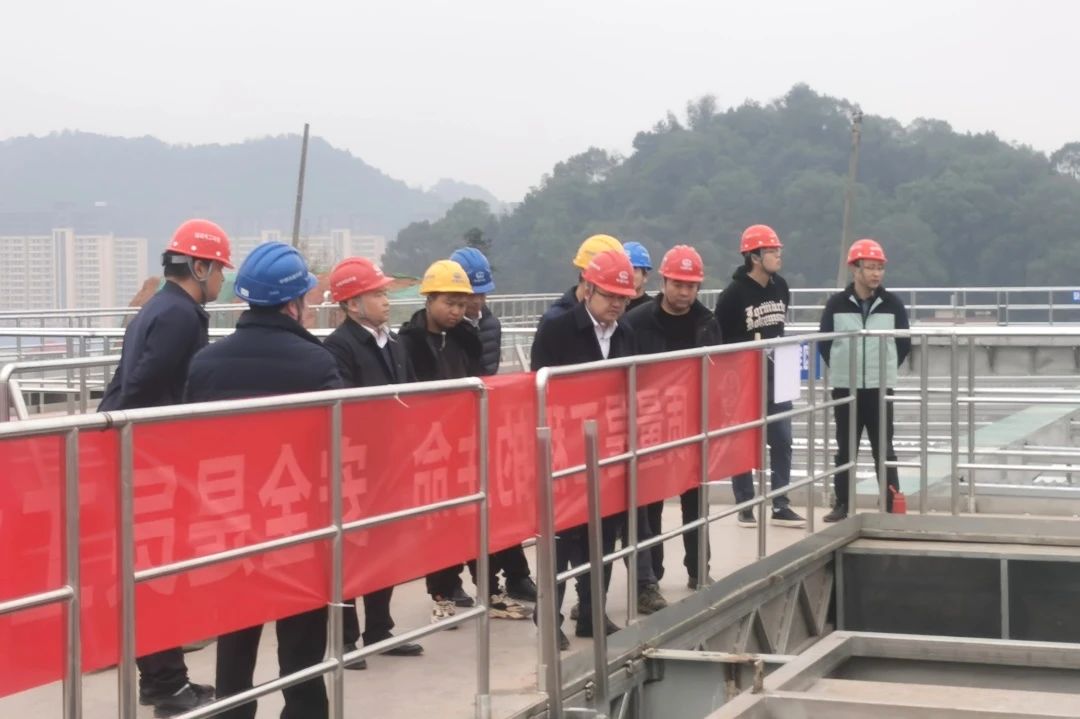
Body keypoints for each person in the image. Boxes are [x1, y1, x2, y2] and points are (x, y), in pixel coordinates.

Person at [185, 242, 342, 719]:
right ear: (293, 303)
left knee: (236, 634)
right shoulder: (317, 363)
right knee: (302, 641)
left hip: (230, 520)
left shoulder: (205, 363)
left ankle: (233, 711)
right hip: (299, 520)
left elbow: (188, 444)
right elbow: (339, 446)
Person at [98, 218, 231, 716]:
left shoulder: (160, 308)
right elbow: (143, 386)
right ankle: (165, 685)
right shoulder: (179, 316)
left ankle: (166, 680)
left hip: (139, 457)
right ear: (198, 267)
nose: (222, 279)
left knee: (153, 574)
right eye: (218, 269)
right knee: (156, 577)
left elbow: (127, 381)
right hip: (150, 462)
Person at [398, 259, 531, 624]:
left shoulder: (465, 339)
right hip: (429, 447)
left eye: (461, 303)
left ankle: (490, 589)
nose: (456, 311)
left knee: (478, 518)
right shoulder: (407, 342)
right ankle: (442, 593)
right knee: (438, 523)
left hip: (467, 443)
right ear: (429, 299)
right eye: (449, 303)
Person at [530, 249, 638, 649]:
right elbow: (538, 387)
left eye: (623, 298)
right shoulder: (557, 328)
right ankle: (548, 620)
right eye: (609, 295)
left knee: (603, 536)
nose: (617, 304)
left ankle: (593, 613)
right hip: (563, 449)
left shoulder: (625, 333)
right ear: (588, 289)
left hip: (606, 449)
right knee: (560, 539)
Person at [322, 257, 424, 669]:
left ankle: (379, 629)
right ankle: (345, 639)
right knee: (350, 550)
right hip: (356, 464)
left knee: (384, 545)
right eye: (377, 294)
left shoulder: (394, 343)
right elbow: (345, 406)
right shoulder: (338, 347)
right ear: (351, 304)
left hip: (390, 461)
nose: (386, 300)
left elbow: (412, 393)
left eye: (384, 293)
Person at [624, 245, 720, 589]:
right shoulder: (636, 322)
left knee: (696, 500)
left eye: (691, 286)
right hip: (650, 424)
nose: (684, 292)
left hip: (693, 424)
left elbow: (720, 374)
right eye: (678, 284)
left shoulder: (708, 323)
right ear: (663, 282)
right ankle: (651, 576)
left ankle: (698, 570)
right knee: (649, 504)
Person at [449, 246, 539, 604]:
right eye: (471, 294)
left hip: (485, 423)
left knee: (501, 502)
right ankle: (451, 584)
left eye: (483, 293)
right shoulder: (445, 329)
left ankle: (516, 575)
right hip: (451, 430)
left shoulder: (491, 324)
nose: (478, 301)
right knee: (459, 511)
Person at [714, 224, 806, 528]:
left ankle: (781, 503)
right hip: (743, 377)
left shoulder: (782, 287)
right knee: (743, 441)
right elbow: (719, 337)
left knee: (782, 439)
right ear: (754, 256)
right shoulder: (732, 295)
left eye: (778, 250)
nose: (778, 255)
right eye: (772, 251)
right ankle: (746, 504)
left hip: (779, 371)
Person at [819, 239, 911, 521]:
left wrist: (882, 369)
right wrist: (843, 369)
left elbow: (903, 344)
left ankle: (891, 502)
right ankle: (843, 504)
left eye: (880, 268)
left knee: (884, 449)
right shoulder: (836, 304)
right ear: (855, 269)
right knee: (846, 449)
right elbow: (825, 344)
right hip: (846, 388)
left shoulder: (893, 305)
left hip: (880, 387)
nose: (876, 274)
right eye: (870, 267)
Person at [539, 233, 624, 325]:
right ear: (586, 275)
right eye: (608, 294)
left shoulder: (619, 324)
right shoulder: (557, 322)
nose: (616, 303)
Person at [622, 241, 653, 312]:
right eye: (624, 268)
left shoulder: (654, 310)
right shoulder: (610, 308)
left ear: (645, 276)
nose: (628, 274)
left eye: (634, 269)